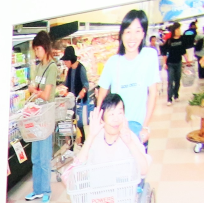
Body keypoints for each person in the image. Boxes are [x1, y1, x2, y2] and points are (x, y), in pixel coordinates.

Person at [64, 93, 149, 203]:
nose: (117, 118)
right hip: (96, 202)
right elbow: (72, 175)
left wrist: (129, 143)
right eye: (111, 113)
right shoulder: (95, 139)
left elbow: (143, 171)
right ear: (102, 118)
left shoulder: (129, 137)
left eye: (120, 112)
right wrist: (90, 136)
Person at [95, 9, 162, 145]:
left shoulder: (149, 56)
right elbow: (101, 95)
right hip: (115, 127)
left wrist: (146, 126)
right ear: (122, 34)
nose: (132, 37)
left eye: (138, 31)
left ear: (143, 34)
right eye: (128, 31)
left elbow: (153, 94)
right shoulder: (113, 62)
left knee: (139, 165)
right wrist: (101, 122)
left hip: (138, 129)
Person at [21, 32, 62, 203]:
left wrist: (33, 90)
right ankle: (37, 189)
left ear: (45, 47)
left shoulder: (51, 67)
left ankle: (46, 190)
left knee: (44, 156)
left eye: (38, 49)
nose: (36, 53)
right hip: (36, 115)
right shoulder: (39, 67)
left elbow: (46, 95)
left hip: (45, 115)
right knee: (36, 157)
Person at [61, 46, 90, 143]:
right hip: (71, 101)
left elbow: (86, 84)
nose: (64, 63)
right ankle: (73, 144)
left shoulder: (81, 68)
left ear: (70, 60)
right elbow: (67, 84)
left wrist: (83, 91)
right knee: (72, 121)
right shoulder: (69, 70)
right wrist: (64, 90)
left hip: (79, 101)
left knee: (79, 122)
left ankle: (82, 141)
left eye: (65, 61)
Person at [163, 21, 190, 104]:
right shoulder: (169, 41)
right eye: (177, 29)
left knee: (177, 80)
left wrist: (187, 60)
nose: (179, 31)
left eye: (179, 29)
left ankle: (176, 95)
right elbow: (164, 53)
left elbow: (184, 51)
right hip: (170, 63)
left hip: (179, 63)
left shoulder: (181, 39)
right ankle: (169, 99)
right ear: (174, 31)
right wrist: (164, 63)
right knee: (170, 81)